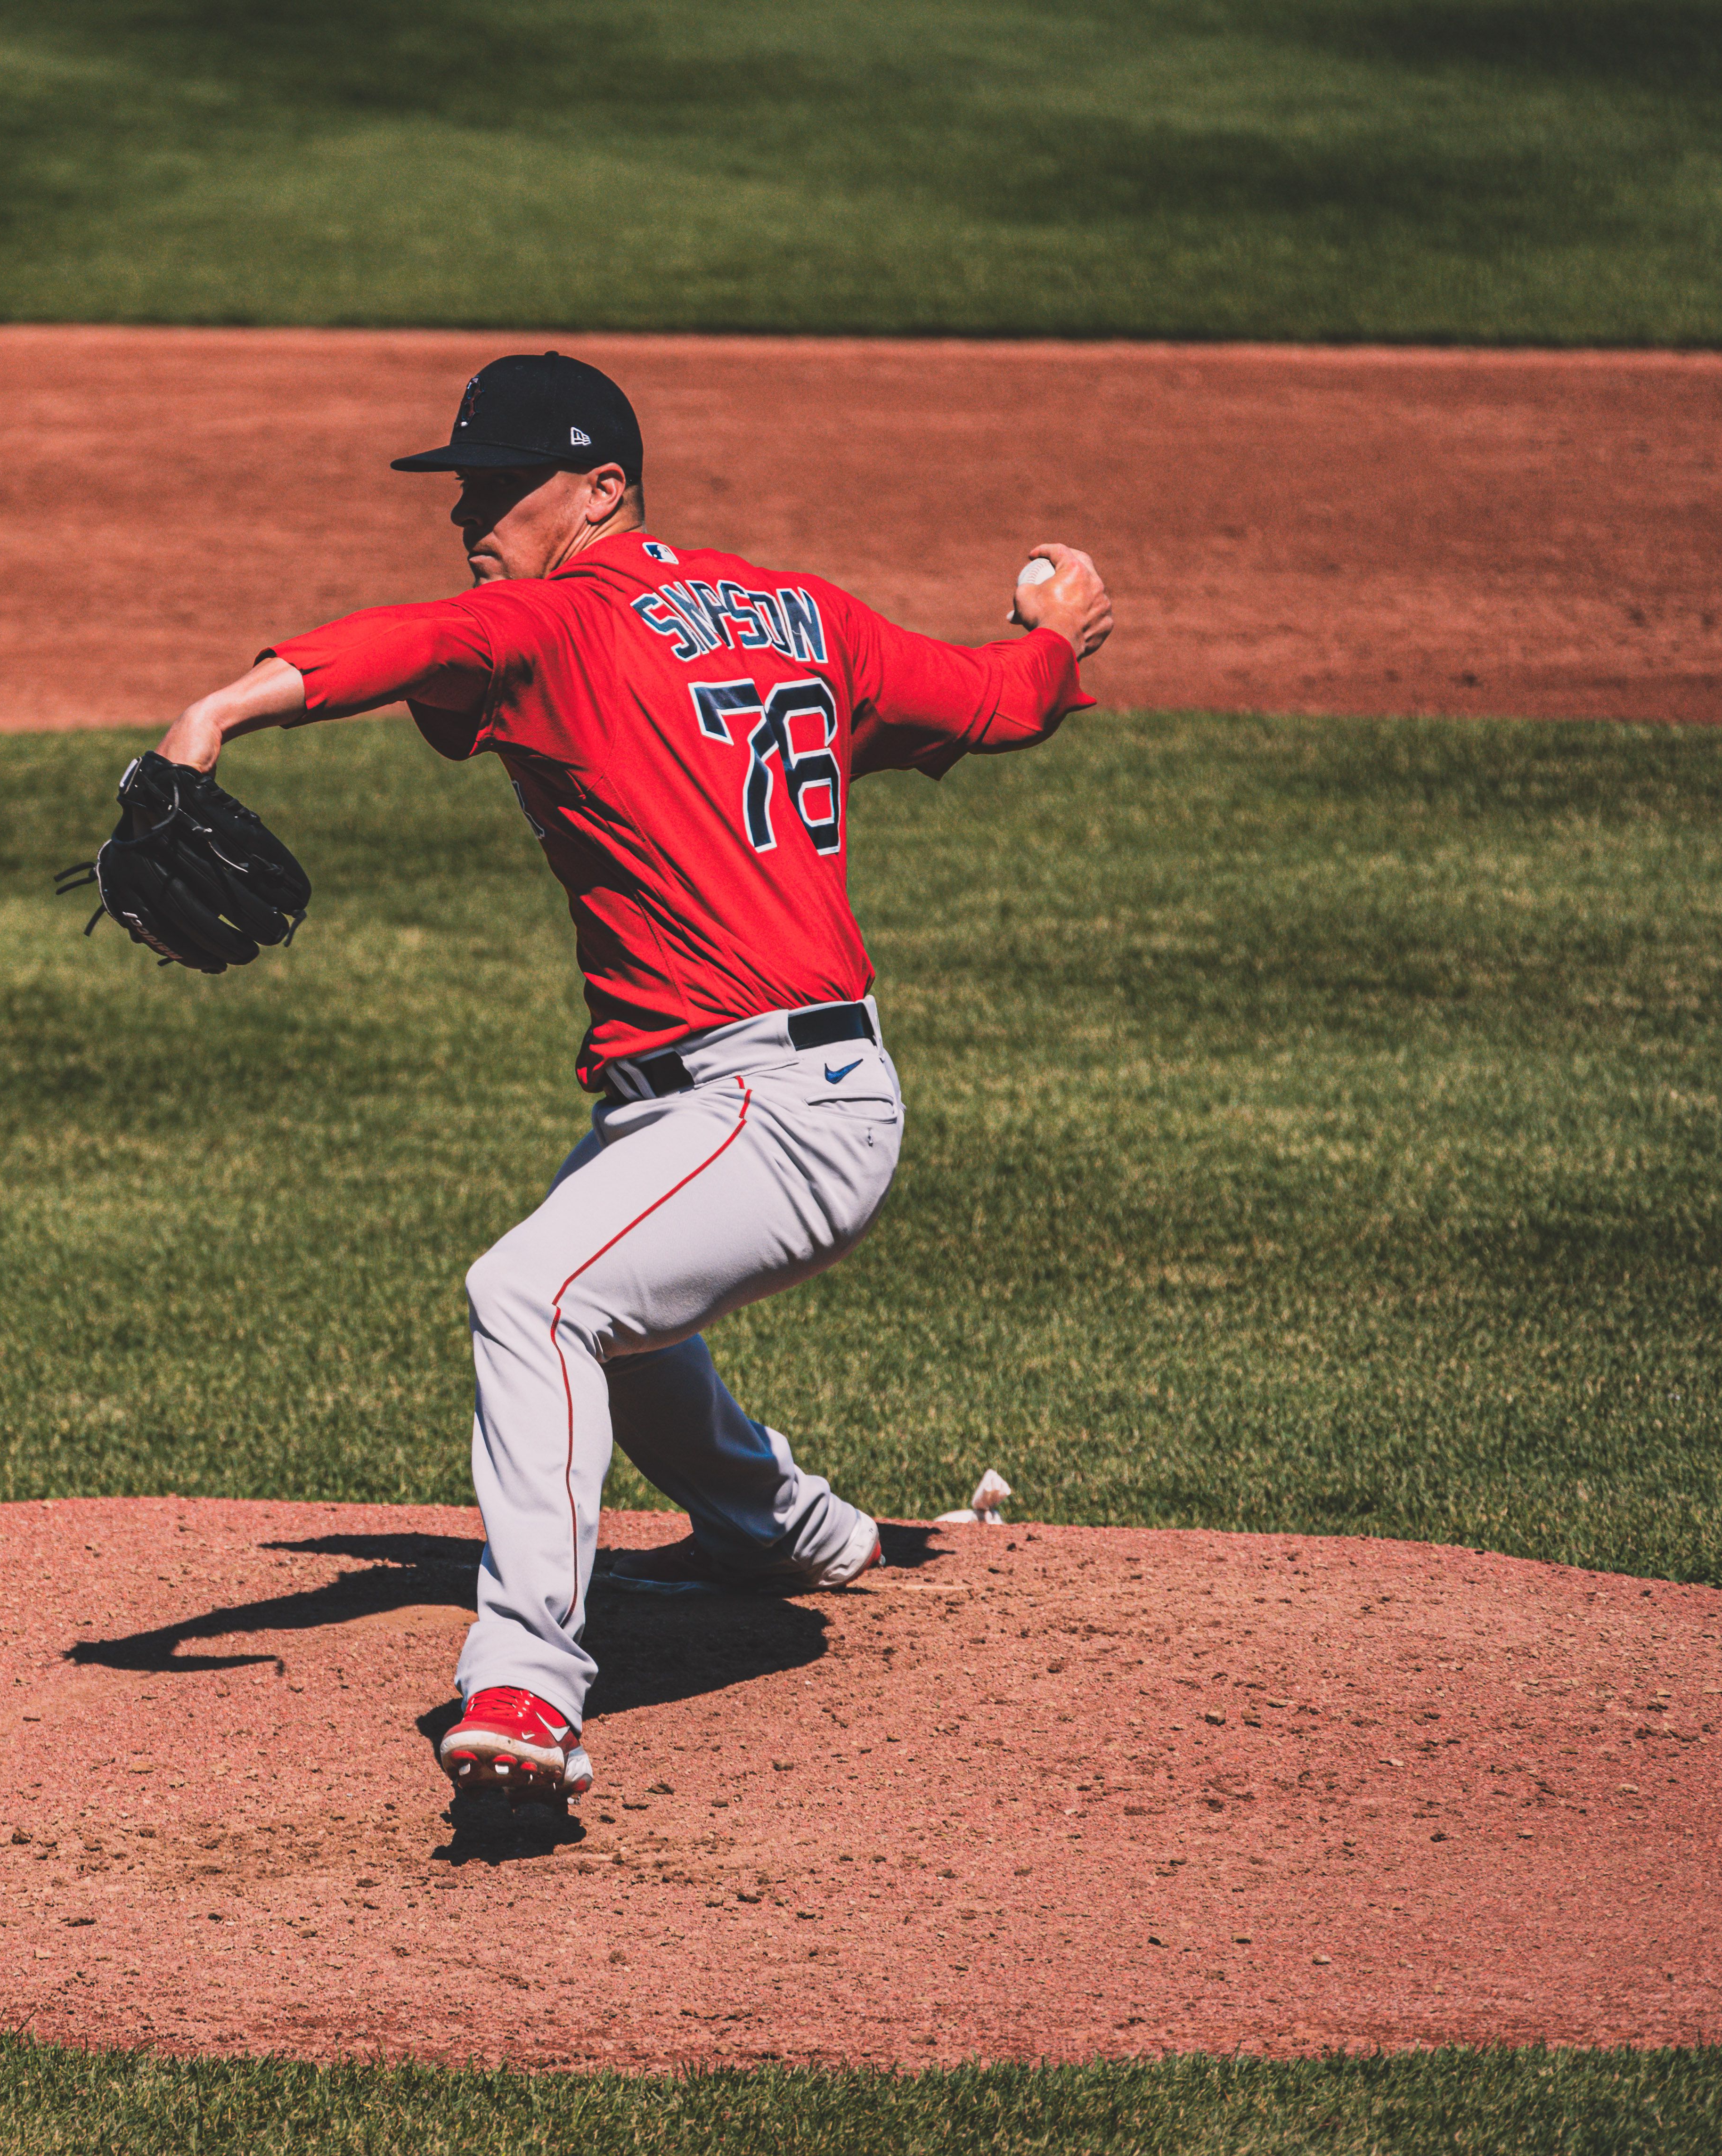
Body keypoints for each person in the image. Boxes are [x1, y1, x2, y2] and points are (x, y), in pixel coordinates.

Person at [149, 352, 1112, 1799]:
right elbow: (988, 703)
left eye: (503, 483)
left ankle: (528, 1686)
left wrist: (219, 712)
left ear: (604, 489)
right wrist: (1051, 635)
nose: (473, 509)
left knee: (530, 1295)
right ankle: (787, 1530)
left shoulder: (565, 625)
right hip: (737, 1097)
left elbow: (407, 646)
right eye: (464, 485)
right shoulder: (801, 615)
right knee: (619, 1318)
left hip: (779, 1108)